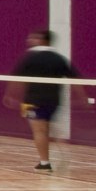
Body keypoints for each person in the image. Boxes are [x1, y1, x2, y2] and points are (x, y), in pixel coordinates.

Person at [7, 29, 82, 172]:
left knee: (39, 131)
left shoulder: (29, 57)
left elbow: (16, 79)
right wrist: (82, 97)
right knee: (47, 128)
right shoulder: (59, 58)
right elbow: (74, 78)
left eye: (34, 38)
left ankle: (44, 163)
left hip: (32, 101)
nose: (30, 41)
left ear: (43, 40)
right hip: (54, 101)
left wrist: (10, 95)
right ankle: (58, 153)